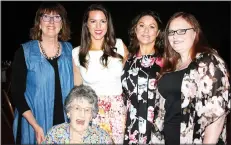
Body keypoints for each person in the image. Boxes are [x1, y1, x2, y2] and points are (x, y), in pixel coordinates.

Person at [152, 12, 231, 144]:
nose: (175, 36)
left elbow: (217, 113)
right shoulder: (172, 65)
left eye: (182, 31)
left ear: (195, 33)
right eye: (171, 32)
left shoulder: (208, 62)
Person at [11, 2, 74, 144]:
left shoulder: (71, 51)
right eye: (46, 17)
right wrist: (35, 126)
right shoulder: (25, 52)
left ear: (62, 23)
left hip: (65, 124)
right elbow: (17, 94)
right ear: (39, 23)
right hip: (33, 124)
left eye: (57, 17)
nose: (51, 21)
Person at [72, 4, 129, 144]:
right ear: (87, 25)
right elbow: (78, 90)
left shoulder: (120, 45)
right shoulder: (76, 53)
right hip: (92, 111)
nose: (98, 26)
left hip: (118, 112)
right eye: (93, 21)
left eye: (102, 21)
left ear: (108, 24)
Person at [121, 10, 164, 144]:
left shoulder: (166, 61)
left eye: (152, 27)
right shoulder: (127, 59)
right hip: (131, 126)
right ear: (135, 29)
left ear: (157, 33)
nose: (146, 30)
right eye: (141, 25)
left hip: (156, 127)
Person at [42, 85, 113, 144]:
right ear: (69, 112)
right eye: (77, 108)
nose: (82, 114)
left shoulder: (102, 138)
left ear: (91, 116)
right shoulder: (54, 134)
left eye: (87, 110)